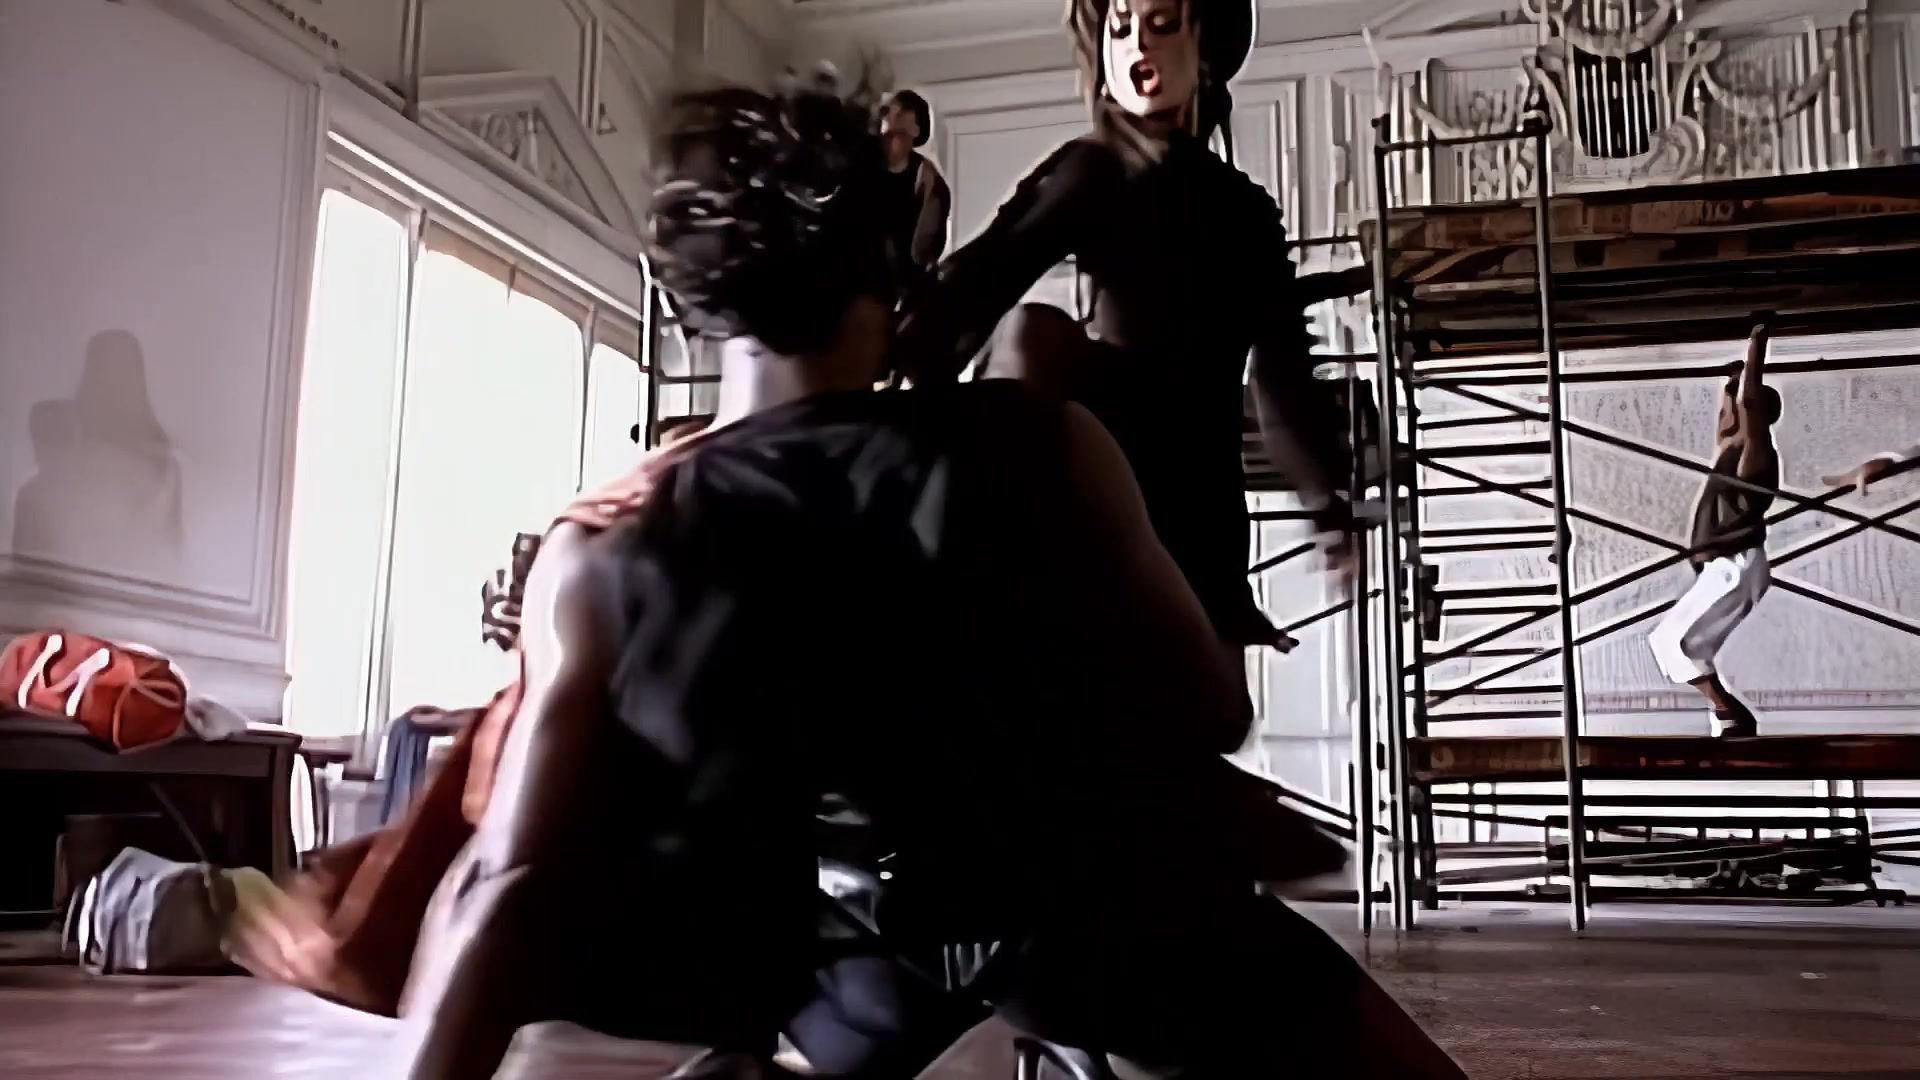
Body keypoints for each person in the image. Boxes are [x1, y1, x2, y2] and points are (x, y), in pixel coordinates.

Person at [387, 79, 1463, 1080]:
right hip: (1100, 934)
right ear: (891, 280)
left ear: (697, 305)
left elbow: (503, 887)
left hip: (830, 972)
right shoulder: (1038, 445)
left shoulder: (604, 550)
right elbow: (1212, 709)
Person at [892, 0, 1368, 660]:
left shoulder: (1244, 212)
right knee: (1031, 333)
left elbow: (1281, 373)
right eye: (1120, 28)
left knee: (1207, 704)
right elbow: (986, 275)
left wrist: (1326, 506)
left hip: (1194, 499)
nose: (1138, 43)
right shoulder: (1095, 169)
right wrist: (894, 360)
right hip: (1110, 473)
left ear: (1204, 46)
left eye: (1162, 23)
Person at [1648, 323, 1782, 738]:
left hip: (1736, 566)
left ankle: (1728, 713)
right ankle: (1727, 720)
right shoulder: (1728, 451)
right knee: (1684, 646)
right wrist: (1731, 380)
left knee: (1672, 642)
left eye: (1732, 411)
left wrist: (1756, 347)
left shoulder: (1756, 454)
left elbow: (1750, 404)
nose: (1724, 419)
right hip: (1722, 568)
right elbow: (1736, 409)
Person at [875, 88, 952, 299]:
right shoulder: (868, 168)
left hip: (906, 286)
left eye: (903, 111)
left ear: (916, 129)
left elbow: (926, 247)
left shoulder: (927, 176)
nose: (892, 115)